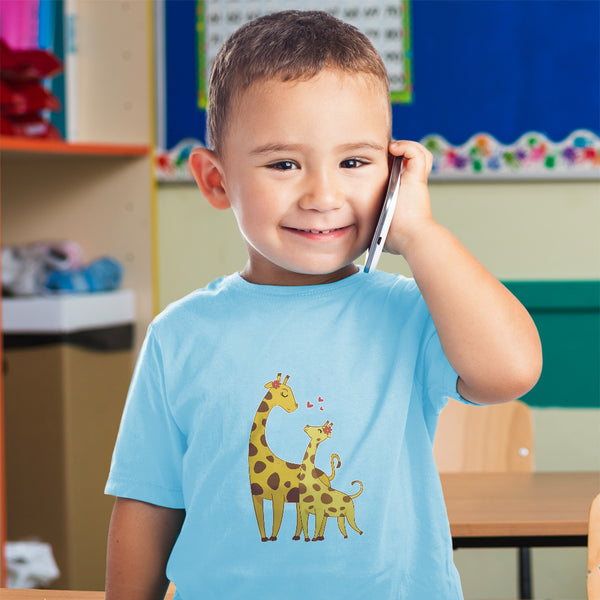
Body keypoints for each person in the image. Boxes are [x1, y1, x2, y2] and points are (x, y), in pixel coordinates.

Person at [105, 10, 542, 600]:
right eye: (283, 164)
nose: (323, 196)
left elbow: (511, 372)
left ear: (392, 174)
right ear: (216, 181)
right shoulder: (179, 334)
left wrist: (418, 234)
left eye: (355, 163)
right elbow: (148, 502)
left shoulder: (413, 312)